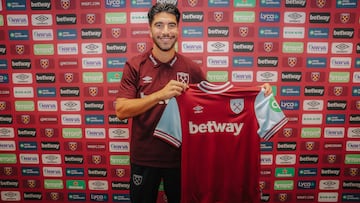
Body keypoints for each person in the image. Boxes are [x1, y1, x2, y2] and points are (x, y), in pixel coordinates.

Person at [115, 3, 273, 203]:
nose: (166, 31)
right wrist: (159, 94)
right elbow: (121, 110)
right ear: (150, 29)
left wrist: (257, 93)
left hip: (182, 160)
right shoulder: (135, 65)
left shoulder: (191, 68)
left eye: (171, 25)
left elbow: (216, 103)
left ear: (178, 29)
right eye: (159, 25)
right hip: (145, 157)